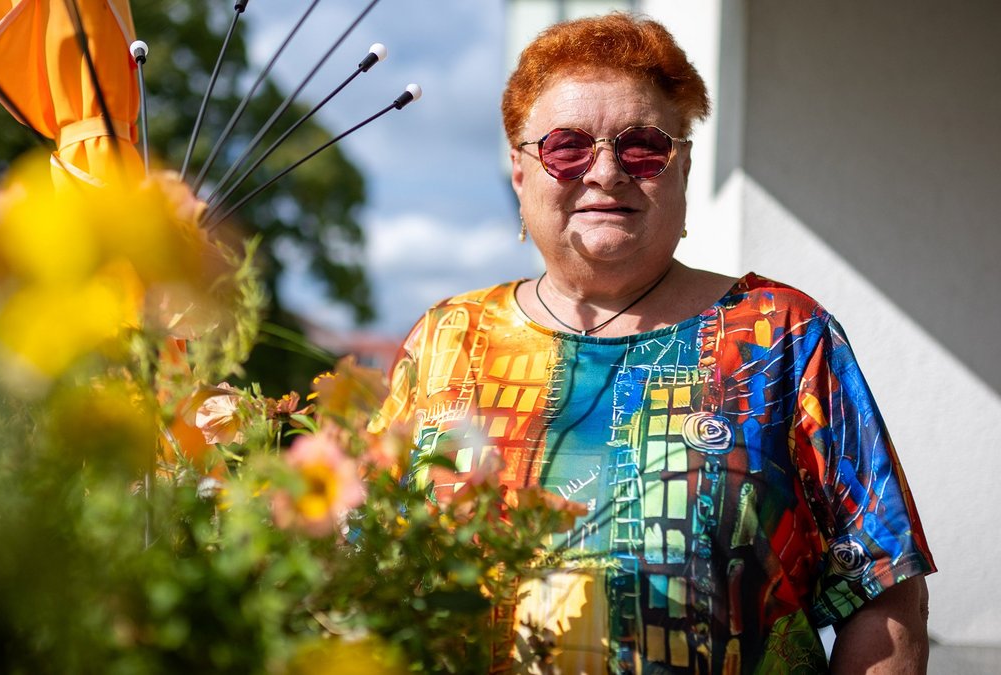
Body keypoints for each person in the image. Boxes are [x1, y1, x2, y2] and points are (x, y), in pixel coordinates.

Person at [374, 13, 935, 674]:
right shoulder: (446, 342)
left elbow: (885, 595)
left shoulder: (781, 337)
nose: (606, 171)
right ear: (522, 173)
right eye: (567, 147)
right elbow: (366, 566)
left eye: (642, 145)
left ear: (684, 167)